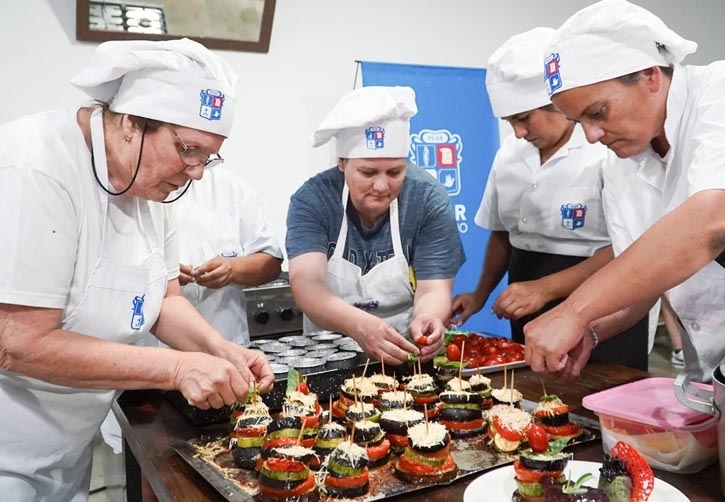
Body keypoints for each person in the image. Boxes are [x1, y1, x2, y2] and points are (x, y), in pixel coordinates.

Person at [0, 38, 274, 499]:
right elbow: (17, 342)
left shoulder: (150, 183)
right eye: (188, 149)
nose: (197, 172)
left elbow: (164, 298)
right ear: (130, 122)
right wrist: (177, 369)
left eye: (208, 156)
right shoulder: (35, 168)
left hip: (68, 439)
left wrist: (218, 349)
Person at [524, 0, 725, 381]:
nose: (591, 135)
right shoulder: (621, 164)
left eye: (598, 113)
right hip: (721, 371)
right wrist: (588, 330)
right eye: (578, 121)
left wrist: (573, 312)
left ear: (650, 76)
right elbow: (638, 285)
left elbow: (714, 223)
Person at [451, 27, 649, 369]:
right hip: (526, 292)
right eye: (509, 121)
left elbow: (629, 247)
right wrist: (480, 294)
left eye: (524, 118)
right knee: (531, 393)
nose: (518, 132)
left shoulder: (605, 150)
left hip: (604, 299)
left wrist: (546, 288)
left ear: (555, 104)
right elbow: (503, 235)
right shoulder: (509, 156)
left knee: (598, 393)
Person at [286, 86, 465, 365]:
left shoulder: (427, 199)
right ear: (342, 163)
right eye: (368, 172)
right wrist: (360, 326)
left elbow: (433, 289)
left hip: (405, 350)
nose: (382, 186)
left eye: (395, 172)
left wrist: (428, 318)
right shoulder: (314, 199)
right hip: (328, 354)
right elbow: (306, 283)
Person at [177, 167, 284, 346]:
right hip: (154, 353)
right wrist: (161, 277)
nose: (197, 169)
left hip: (228, 341)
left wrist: (234, 269)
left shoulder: (228, 188)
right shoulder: (132, 193)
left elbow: (271, 262)